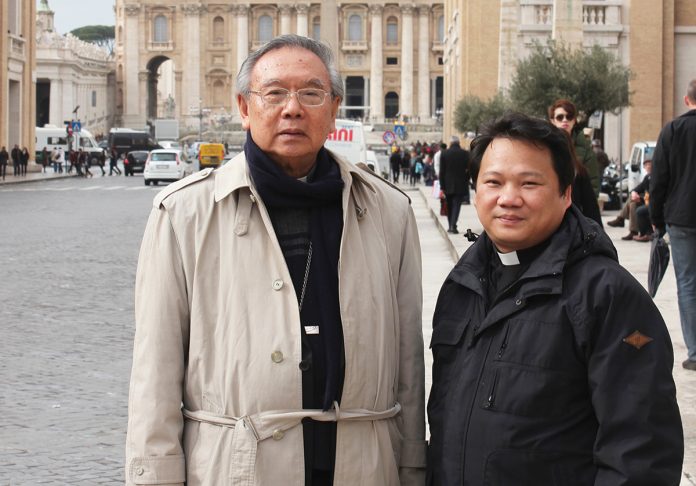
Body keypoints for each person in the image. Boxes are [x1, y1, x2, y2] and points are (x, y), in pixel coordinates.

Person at [126, 34, 426, 486]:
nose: (292, 109)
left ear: (334, 109)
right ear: (245, 108)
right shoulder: (182, 214)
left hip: (361, 466)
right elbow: (156, 369)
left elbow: (408, 363)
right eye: (274, 93)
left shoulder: (390, 211)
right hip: (238, 468)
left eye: (311, 94)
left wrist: (413, 466)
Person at [427, 112, 683, 485]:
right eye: (493, 182)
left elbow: (641, 451)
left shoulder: (607, 296)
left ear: (565, 194)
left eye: (529, 183)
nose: (508, 198)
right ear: (476, 191)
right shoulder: (462, 285)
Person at [650, 78, 696, 371]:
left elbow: (659, 180)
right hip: (681, 217)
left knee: (688, 284)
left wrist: (656, 220)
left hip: (681, 218)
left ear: (686, 99)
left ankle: (695, 352)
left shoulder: (673, 130)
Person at [549, 100, 602, 226]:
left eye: (569, 117)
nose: (565, 120)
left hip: (576, 212)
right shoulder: (545, 146)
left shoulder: (584, 146)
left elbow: (592, 183)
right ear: (552, 120)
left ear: (574, 120)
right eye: (560, 117)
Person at [608, 159, 652, 241]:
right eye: (646, 165)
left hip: (651, 203)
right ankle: (632, 231)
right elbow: (638, 188)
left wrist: (640, 198)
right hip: (646, 201)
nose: (648, 167)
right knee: (632, 202)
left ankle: (622, 220)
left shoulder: (655, 177)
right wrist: (634, 193)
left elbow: (654, 195)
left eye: (649, 165)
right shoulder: (647, 177)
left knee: (633, 201)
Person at [438, 135, 470, 234]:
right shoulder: (465, 153)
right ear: (459, 142)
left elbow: (441, 171)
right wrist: (466, 179)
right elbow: (469, 169)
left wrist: (442, 186)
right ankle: (453, 225)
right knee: (457, 205)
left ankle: (450, 225)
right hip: (461, 183)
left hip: (447, 184)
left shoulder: (444, 153)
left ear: (450, 143)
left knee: (449, 205)